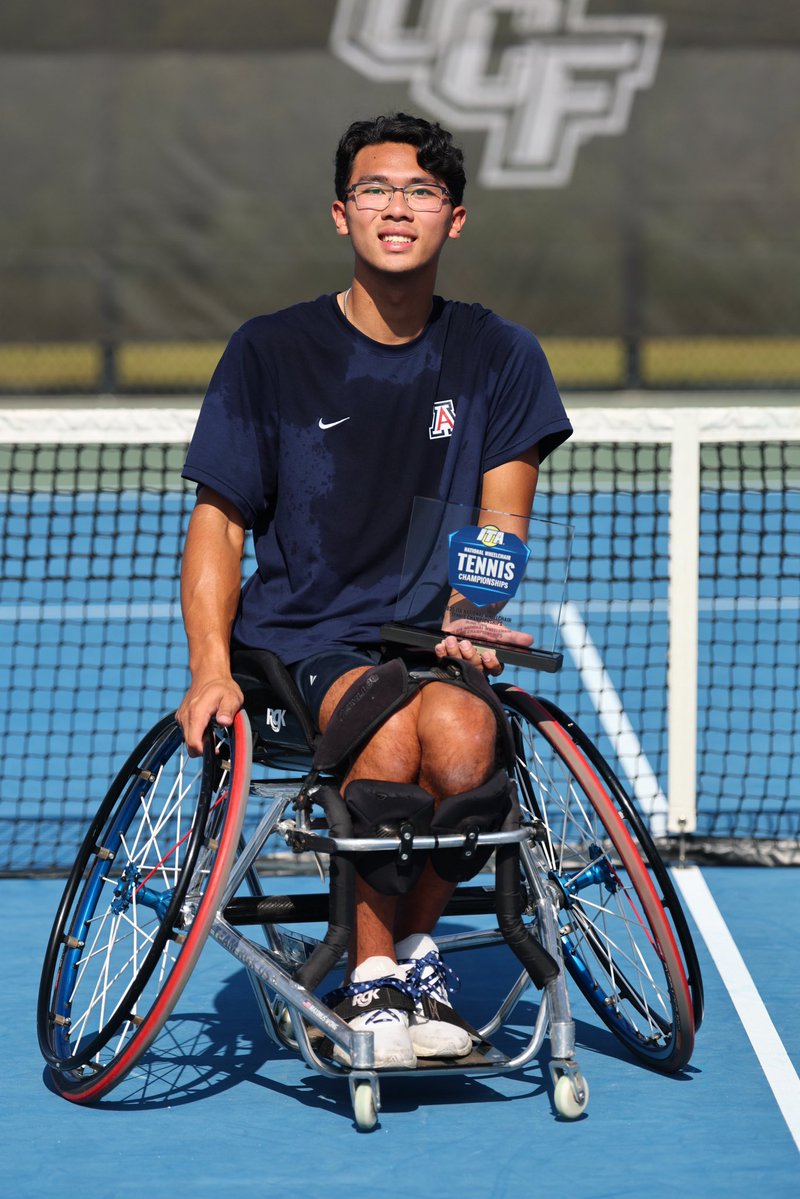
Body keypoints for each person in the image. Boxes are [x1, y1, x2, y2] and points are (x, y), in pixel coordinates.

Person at [176, 113, 572, 1068]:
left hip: (425, 636)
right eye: (376, 190)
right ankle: (376, 974)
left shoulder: (499, 355)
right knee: (389, 733)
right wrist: (208, 670)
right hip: (303, 636)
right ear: (341, 213)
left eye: (421, 192)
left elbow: (501, 521)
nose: (398, 206)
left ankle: (420, 945)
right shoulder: (268, 351)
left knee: (470, 739)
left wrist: (472, 614)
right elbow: (220, 526)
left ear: (456, 218)